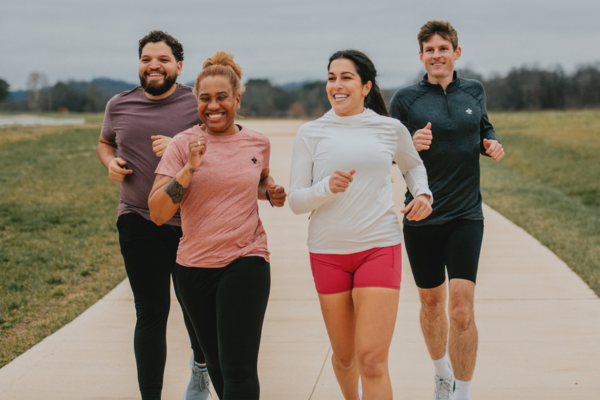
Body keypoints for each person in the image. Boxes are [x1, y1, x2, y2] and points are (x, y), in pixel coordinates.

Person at [289, 49, 433, 400]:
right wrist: (326, 187)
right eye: (332, 78)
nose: (336, 85)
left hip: (379, 248)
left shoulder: (389, 128)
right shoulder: (311, 133)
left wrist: (424, 195)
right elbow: (295, 200)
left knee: (371, 359)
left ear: (366, 86)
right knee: (344, 356)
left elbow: (412, 166)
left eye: (346, 77)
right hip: (327, 253)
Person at [148, 51, 286, 400]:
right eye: (205, 98)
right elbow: (159, 212)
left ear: (237, 99)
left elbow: (256, 181)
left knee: (239, 369)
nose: (214, 106)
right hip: (193, 268)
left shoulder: (258, 143)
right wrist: (189, 167)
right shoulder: (181, 145)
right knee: (222, 372)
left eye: (222, 97)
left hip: (247, 259)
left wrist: (270, 192)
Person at [389, 20, 505, 400]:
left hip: (466, 216)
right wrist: (411, 144)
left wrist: (491, 142)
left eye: (443, 48)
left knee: (460, 310)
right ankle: (442, 373)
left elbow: (483, 127)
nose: (436, 55)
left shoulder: (474, 91)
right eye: (429, 50)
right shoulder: (405, 100)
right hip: (421, 215)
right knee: (432, 304)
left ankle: (463, 392)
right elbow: (389, 153)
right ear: (421, 56)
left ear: (457, 53)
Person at [97, 30, 211, 400]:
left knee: (195, 309)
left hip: (190, 223)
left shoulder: (197, 103)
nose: (153, 65)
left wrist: (177, 150)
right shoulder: (119, 104)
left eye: (162, 59)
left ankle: (200, 369)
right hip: (138, 219)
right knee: (150, 311)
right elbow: (105, 141)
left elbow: (219, 147)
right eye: (147, 59)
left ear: (179, 66)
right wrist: (109, 162)